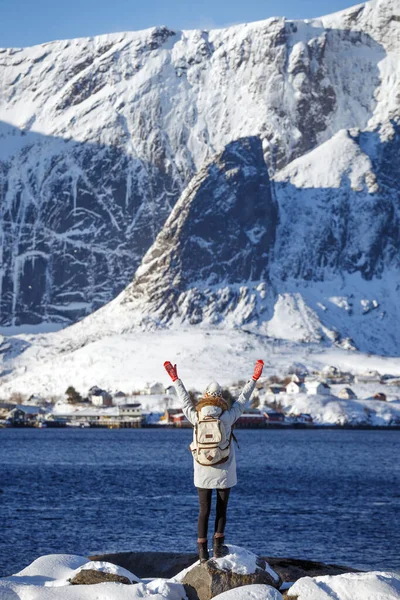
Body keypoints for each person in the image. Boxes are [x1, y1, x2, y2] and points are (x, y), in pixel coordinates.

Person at [163, 359, 264, 562]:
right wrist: (254, 379)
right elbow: (243, 399)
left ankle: (202, 554)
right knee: (221, 509)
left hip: (202, 471)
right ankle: (218, 549)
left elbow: (184, 400)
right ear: (220, 399)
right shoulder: (227, 417)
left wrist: (175, 379)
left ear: (205, 398)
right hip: (225, 470)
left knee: (204, 511)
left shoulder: (196, 417)